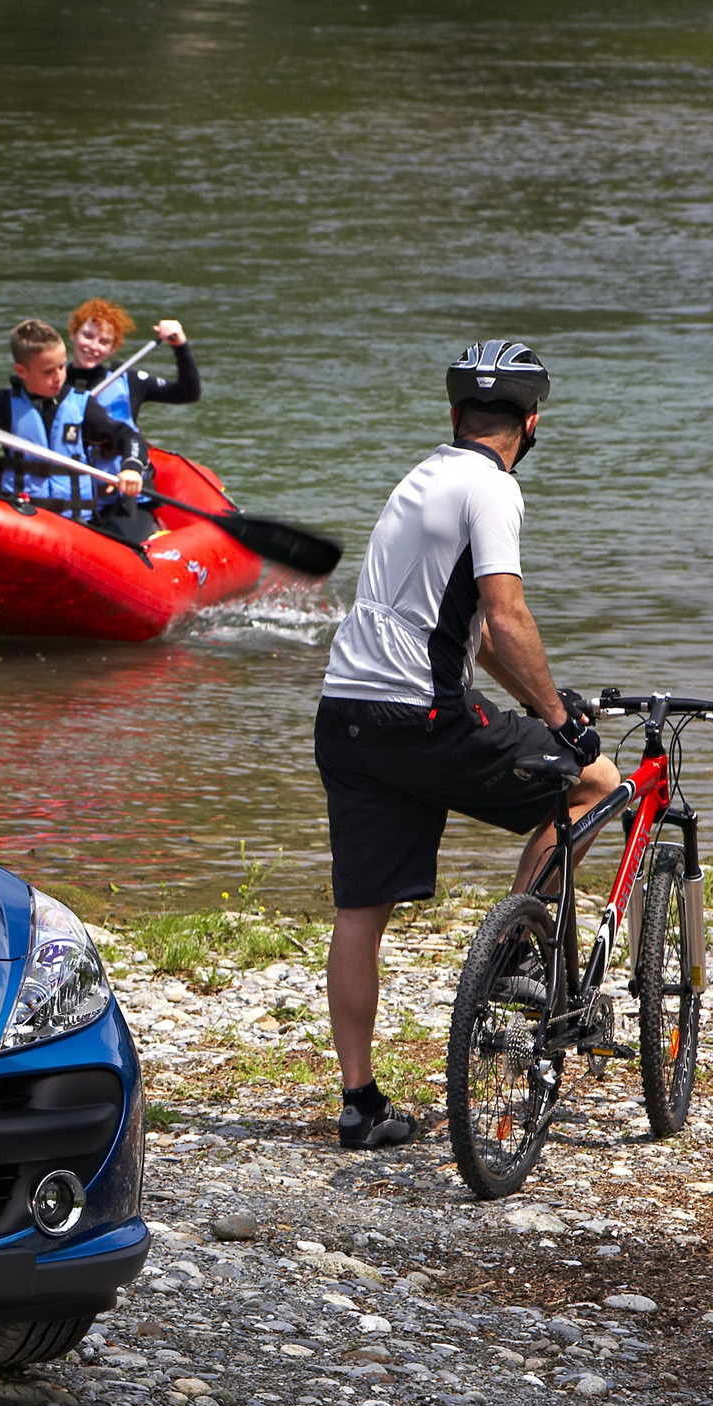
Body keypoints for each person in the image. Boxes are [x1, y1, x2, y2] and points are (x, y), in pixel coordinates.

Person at [313, 338, 619, 1150]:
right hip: (423, 718)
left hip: (346, 714)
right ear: (531, 424)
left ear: (455, 415)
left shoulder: (420, 478)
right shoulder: (493, 488)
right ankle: (516, 956)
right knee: (594, 780)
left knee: (360, 913)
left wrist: (536, 699)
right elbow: (505, 615)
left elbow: (472, 637)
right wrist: (559, 718)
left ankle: (359, 1104)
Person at [0, 318, 146, 524]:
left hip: (74, 522)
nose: (58, 377)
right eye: (48, 371)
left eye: (61, 367)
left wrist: (131, 467)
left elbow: (128, 436)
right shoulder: (3, 403)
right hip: (19, 517)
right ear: (22, 372)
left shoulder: (81, 405)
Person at [66, 298, 202, 428]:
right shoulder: (55, 382)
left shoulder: (130, 381)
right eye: (88, 336)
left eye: (104, 342)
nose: (93, 346)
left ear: (113, 348)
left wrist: (180, 346)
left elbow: (189, 393)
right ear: (73, 334)